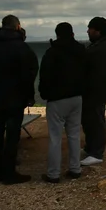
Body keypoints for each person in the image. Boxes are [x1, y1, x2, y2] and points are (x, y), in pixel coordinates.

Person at [0, 15, 38, 184]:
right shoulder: (21, 47)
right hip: (15, 98)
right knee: (12, 135)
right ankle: (9, 173)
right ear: (17, 27)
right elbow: (28, 75)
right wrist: (30, 96)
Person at [39, 22, 86, 183]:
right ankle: (75, 169)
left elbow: (44, 76)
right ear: (72, 34)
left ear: (57, 34)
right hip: (77, 97)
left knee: (55, 137)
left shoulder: (51, 53)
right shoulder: (81, 50)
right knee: (74, 134)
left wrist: (44, 94)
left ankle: (53, 174)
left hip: (57, 99)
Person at [81, 17, 106, 166]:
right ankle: (91, 148)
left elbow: (97, 72)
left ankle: (97, 153)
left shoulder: (102, 48)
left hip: (96, 91)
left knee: (96, 121)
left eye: (90, 28)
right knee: (89, 120)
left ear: (98, 30)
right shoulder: (98, 46)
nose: (88, 31)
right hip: (93, 90)